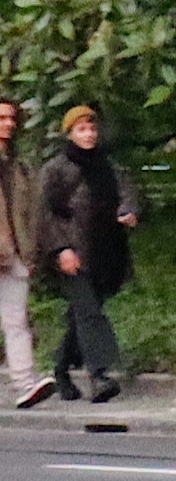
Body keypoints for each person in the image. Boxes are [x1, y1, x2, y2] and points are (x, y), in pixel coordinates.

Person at [38, 105, 139, 404]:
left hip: (106, 251)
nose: (89, 134)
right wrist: (61, 249)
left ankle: (60, 369)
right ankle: (99, 376)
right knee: (90, 314)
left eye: (92, 128)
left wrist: (130, 211)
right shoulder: (56, 168)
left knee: (82, 315)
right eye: (82, 129)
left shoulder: (107, 165)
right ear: (69, 133)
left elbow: (127, 193)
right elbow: (44, 214)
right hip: (72, 253)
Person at [0, 97, 52, 408]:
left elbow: (30, 211)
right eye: (2, 118)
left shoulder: (18, 166)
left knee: (16, 320)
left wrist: (30, 252)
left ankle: (25, 384)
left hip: (14, 254)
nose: (8, 124)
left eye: (11, 118)